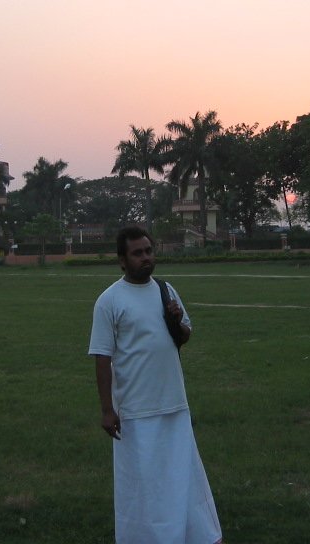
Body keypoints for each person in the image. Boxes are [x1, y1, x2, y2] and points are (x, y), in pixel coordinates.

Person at [88, 226, 222, 544]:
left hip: (174, 403)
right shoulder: (109, 301)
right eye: (138, 253)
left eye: (149, 251)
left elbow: (183, 338)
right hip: (135, 411)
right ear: (122, 260)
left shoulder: (165, 290)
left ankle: (194, 534)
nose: (146, 258)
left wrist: (175, 322)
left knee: (182, 478)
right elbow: (102, 358)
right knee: (144, 486)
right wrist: (108, 410)